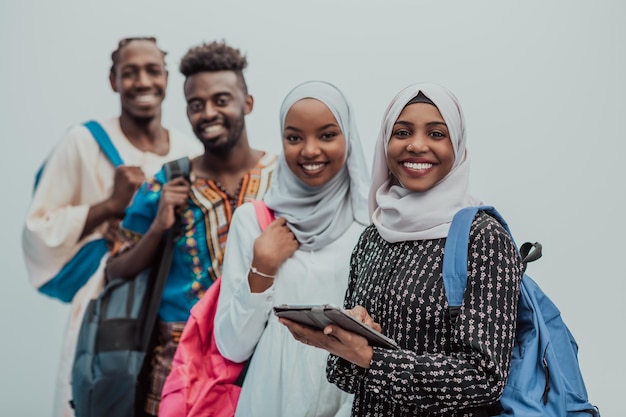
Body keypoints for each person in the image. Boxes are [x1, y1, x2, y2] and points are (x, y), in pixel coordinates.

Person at [279, 83, 525, 416]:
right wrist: (345, 340)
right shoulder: (374, 237)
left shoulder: (482, 238)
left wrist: (370, 358)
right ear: (385, 143)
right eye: (402, 132)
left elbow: (484, 377)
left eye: (437, 134)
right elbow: (345, 376)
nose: (417, 145)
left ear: (458, 143)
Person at [21, 36, 202, 417]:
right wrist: (111, 206)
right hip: (108, 302)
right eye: (129, 72)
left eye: (153, 71)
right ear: (113, 80)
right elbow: (39, 229)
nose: (142, 82)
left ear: (167, 78)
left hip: (170, 303)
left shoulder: (189, 151)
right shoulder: (84, 142)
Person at [105, 40, 276, 416]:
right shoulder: (165, 183)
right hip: (180, 368)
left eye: (221, 100)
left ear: (247, 103)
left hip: (263, 359)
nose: (208, 113)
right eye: (196, 105)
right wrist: (158, 227)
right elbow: (114, 269)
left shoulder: (282, 180)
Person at [213, 80, 370, 417]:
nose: (310, 150)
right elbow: (231, 346)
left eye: (327, 135)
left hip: (345, 396)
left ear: (349, 137)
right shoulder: (254, 221)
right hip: (270, 396)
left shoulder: (372, 223)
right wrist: (263, 267)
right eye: (294, 137)